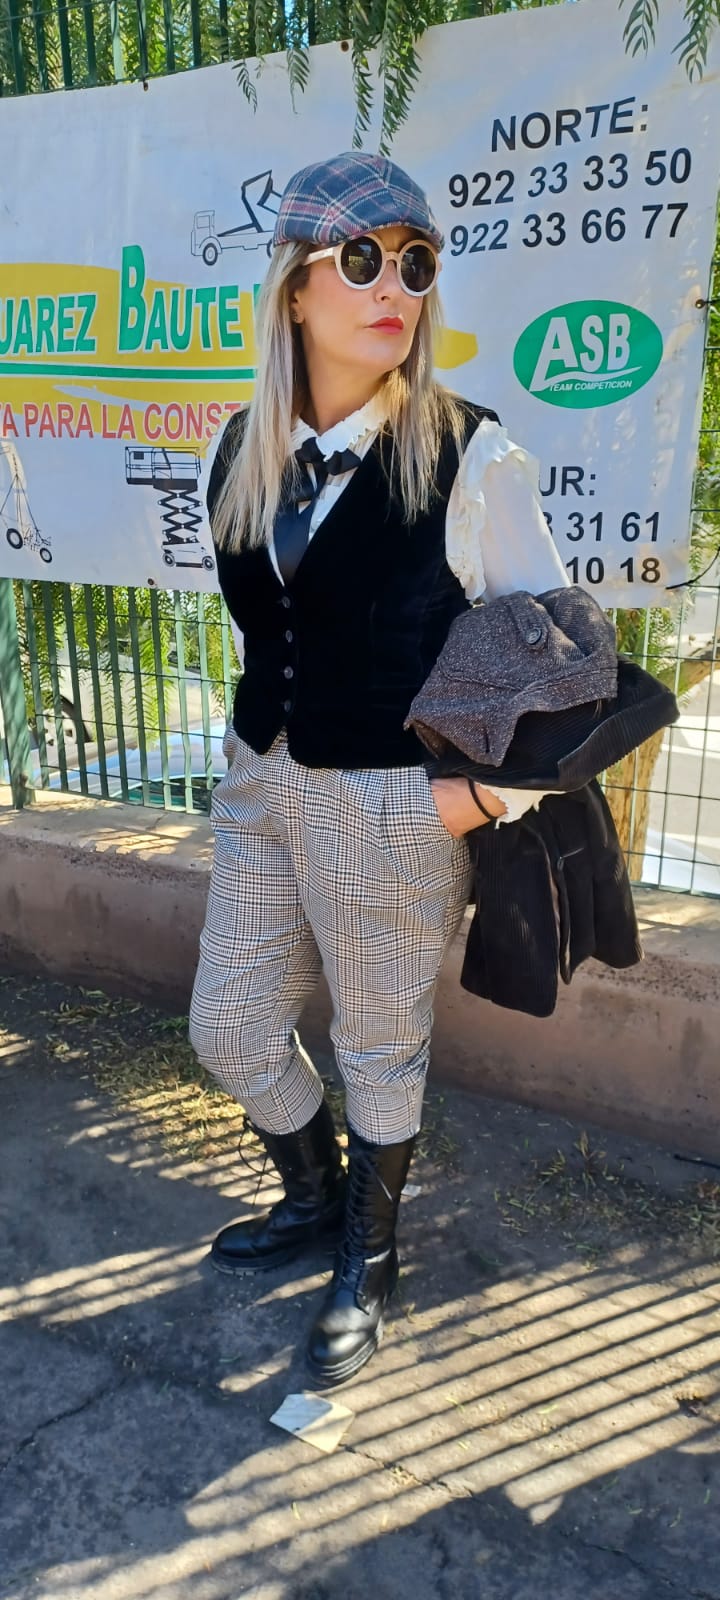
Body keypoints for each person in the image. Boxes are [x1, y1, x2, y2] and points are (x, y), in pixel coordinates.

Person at [189, 151, 568, 1387]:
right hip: (263, 781)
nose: (393, 283)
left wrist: (480, 793)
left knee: (378, 1044)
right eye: (361, 258)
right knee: (230, 1025)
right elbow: (278, 623)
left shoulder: (473, 457)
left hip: (391, 804)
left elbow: (566, 664)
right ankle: (311, 1192)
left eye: (414, 261)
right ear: (296, 288)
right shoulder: (241, 445)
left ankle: (370, 1252)